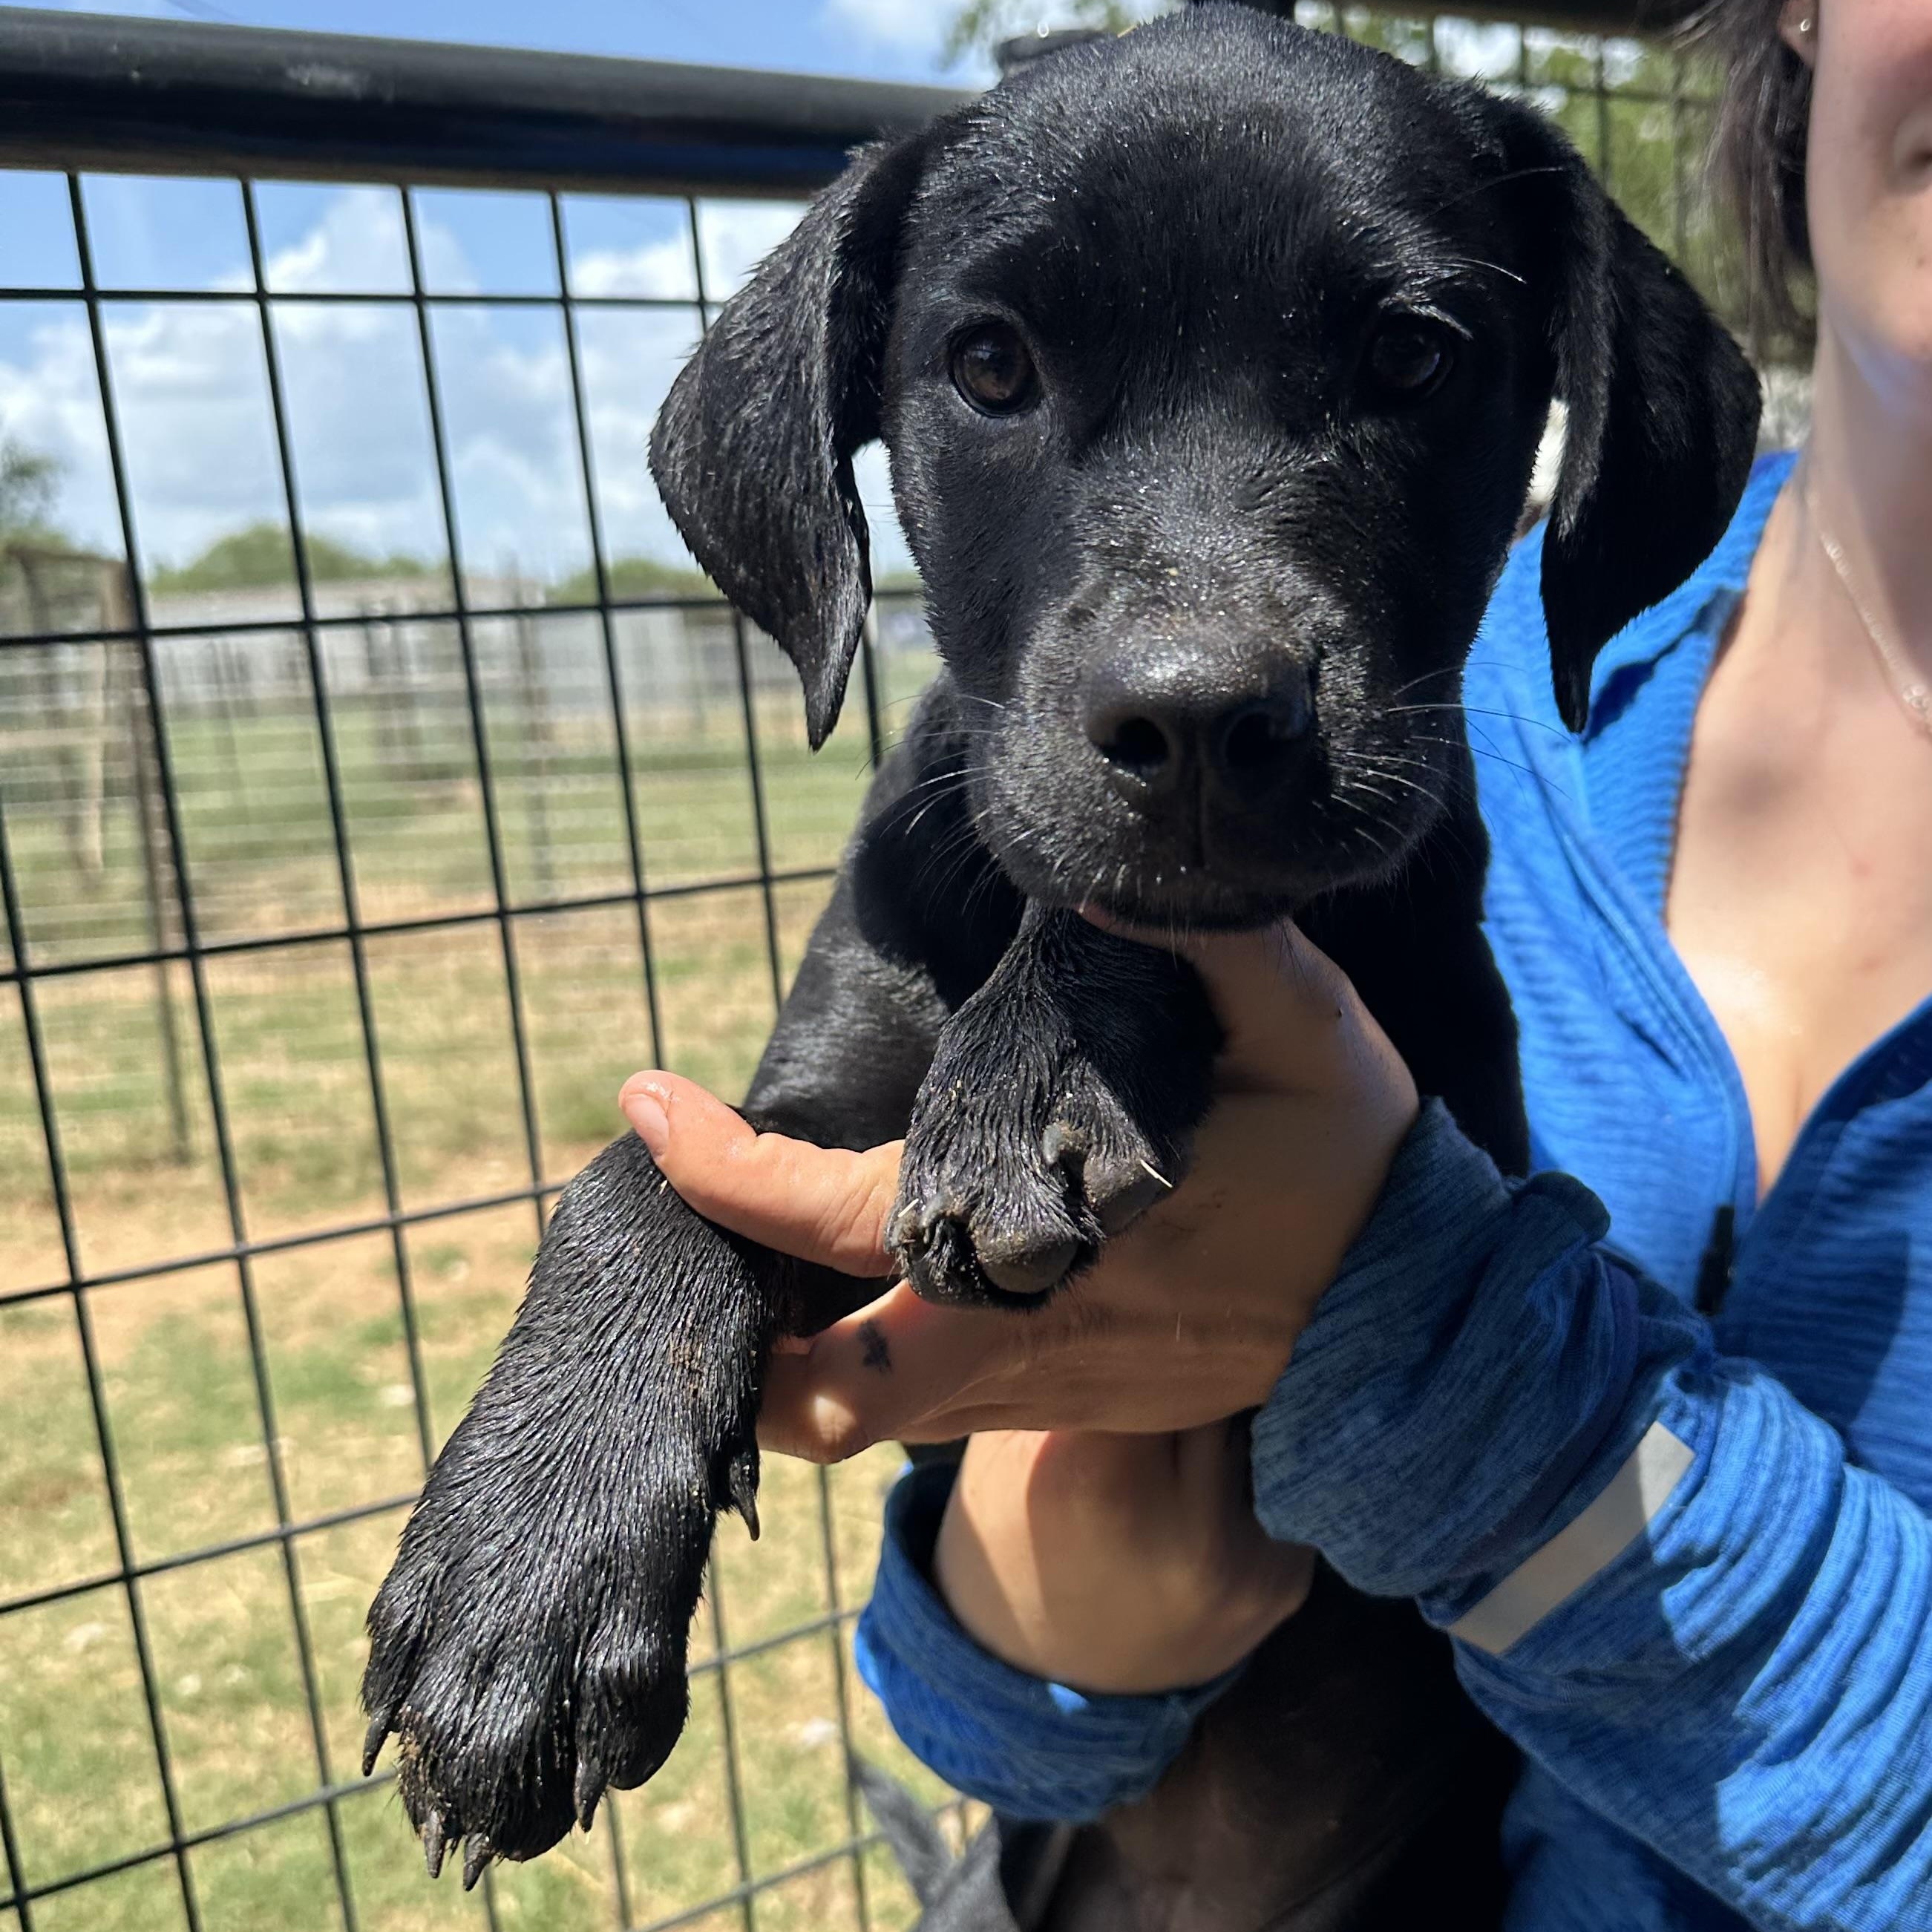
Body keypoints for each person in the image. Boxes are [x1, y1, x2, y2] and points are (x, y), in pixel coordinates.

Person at [614, 0, 1932, 1922]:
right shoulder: (1499, 707)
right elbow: (1006, 1688)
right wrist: (1045, 1629)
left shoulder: (1433, 705)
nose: (1194, 645)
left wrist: (1450, 1372)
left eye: (1400, 358)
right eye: (990, 361)